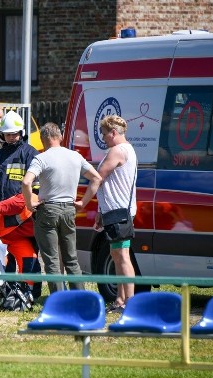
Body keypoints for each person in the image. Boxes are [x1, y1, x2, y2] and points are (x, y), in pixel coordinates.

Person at [22, 122, 102, 293]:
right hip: (68, 209)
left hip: (48, 209)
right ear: (60, 137)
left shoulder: (41, 158)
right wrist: (83, 202)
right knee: (71, 259)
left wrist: (30, 204)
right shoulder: (75, 156)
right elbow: (96, 178)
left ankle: (59, 301)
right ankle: (80, 298)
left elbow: (26, 182)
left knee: (52, 260)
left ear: (43, 139)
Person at [94, 115, 137, 313]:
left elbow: (98, 177)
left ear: (113, 132)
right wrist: (100, 210)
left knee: (122, 257)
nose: (103, 139)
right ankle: (121, 299)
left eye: (104, 134)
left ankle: (129, 302)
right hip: (114, 212)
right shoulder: (124, 149)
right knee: (116, 254)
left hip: (120, 213)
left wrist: (85, 201)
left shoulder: (118, 150)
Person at [0, 192, 42, 299]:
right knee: (1, 265)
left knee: (31, 261)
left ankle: (26, 295)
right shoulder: (23, 201)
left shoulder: (49, 219)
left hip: (16, 239)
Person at [0, 110, 39, 212]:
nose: (11, 137)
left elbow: (37, 187)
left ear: (21, 132)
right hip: (1, 209)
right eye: (8, 135)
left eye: (14, 134)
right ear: (3, 135)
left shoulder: (30, 154)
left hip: (24, 211)